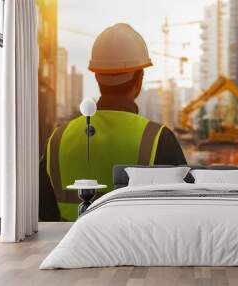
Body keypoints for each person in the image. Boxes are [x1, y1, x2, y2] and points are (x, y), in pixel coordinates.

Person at [39, 23, 187, 221]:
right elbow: (182, 213)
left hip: (67, 245)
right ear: (139, 80)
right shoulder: (158, 138)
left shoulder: (57, 139)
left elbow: (42, 212)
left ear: (97, 76)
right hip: (135, 249)